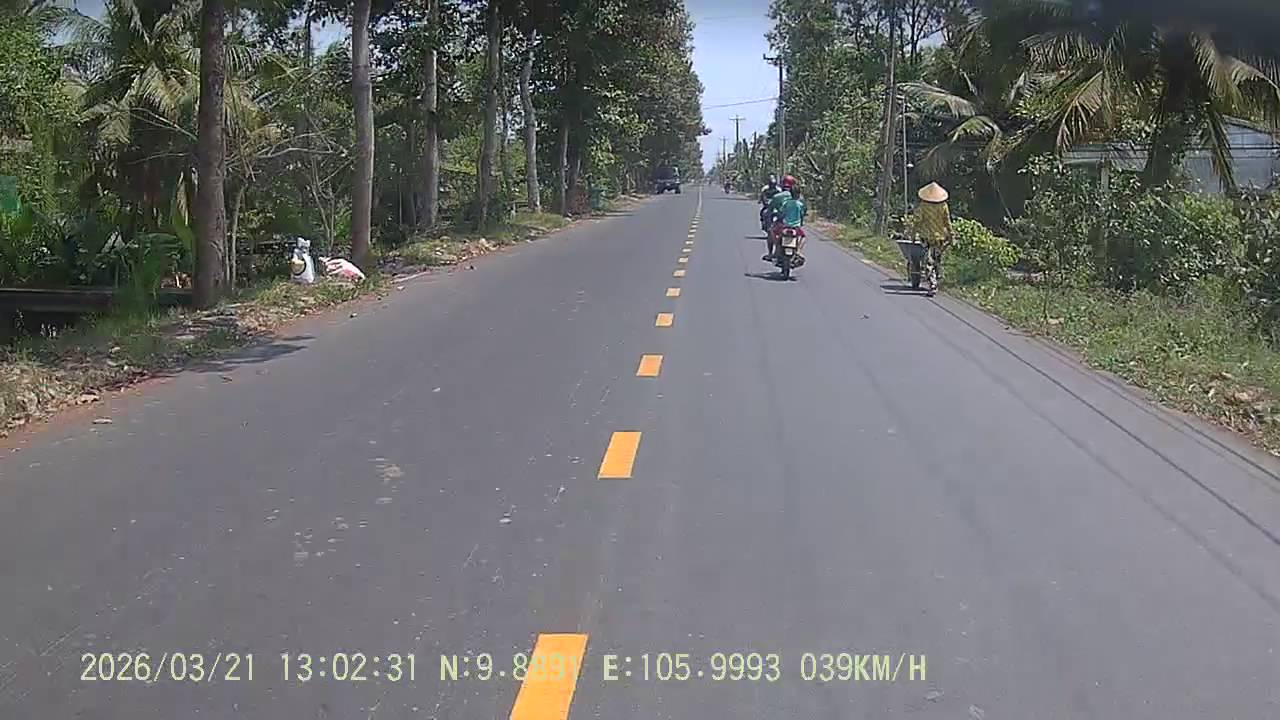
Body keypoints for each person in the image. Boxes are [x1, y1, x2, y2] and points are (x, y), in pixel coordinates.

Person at [907, 181, 953, 296]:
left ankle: (933, 283)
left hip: (926, 238)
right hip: (940, 238)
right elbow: (947, 222)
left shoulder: (923, 206)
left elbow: (917, 221)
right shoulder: (943, 206)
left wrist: (913, 235)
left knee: (929, 261)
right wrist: (951, 234)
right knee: (935, 260)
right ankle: (935, 280)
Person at [763, 175, 795, 261]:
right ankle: (798, 252)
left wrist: (769, 221)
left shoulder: (777, 196)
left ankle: (770, 253)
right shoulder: (797, 197)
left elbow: (769, 210)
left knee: (771, 233)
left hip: (781, 222)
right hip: (794, 223)